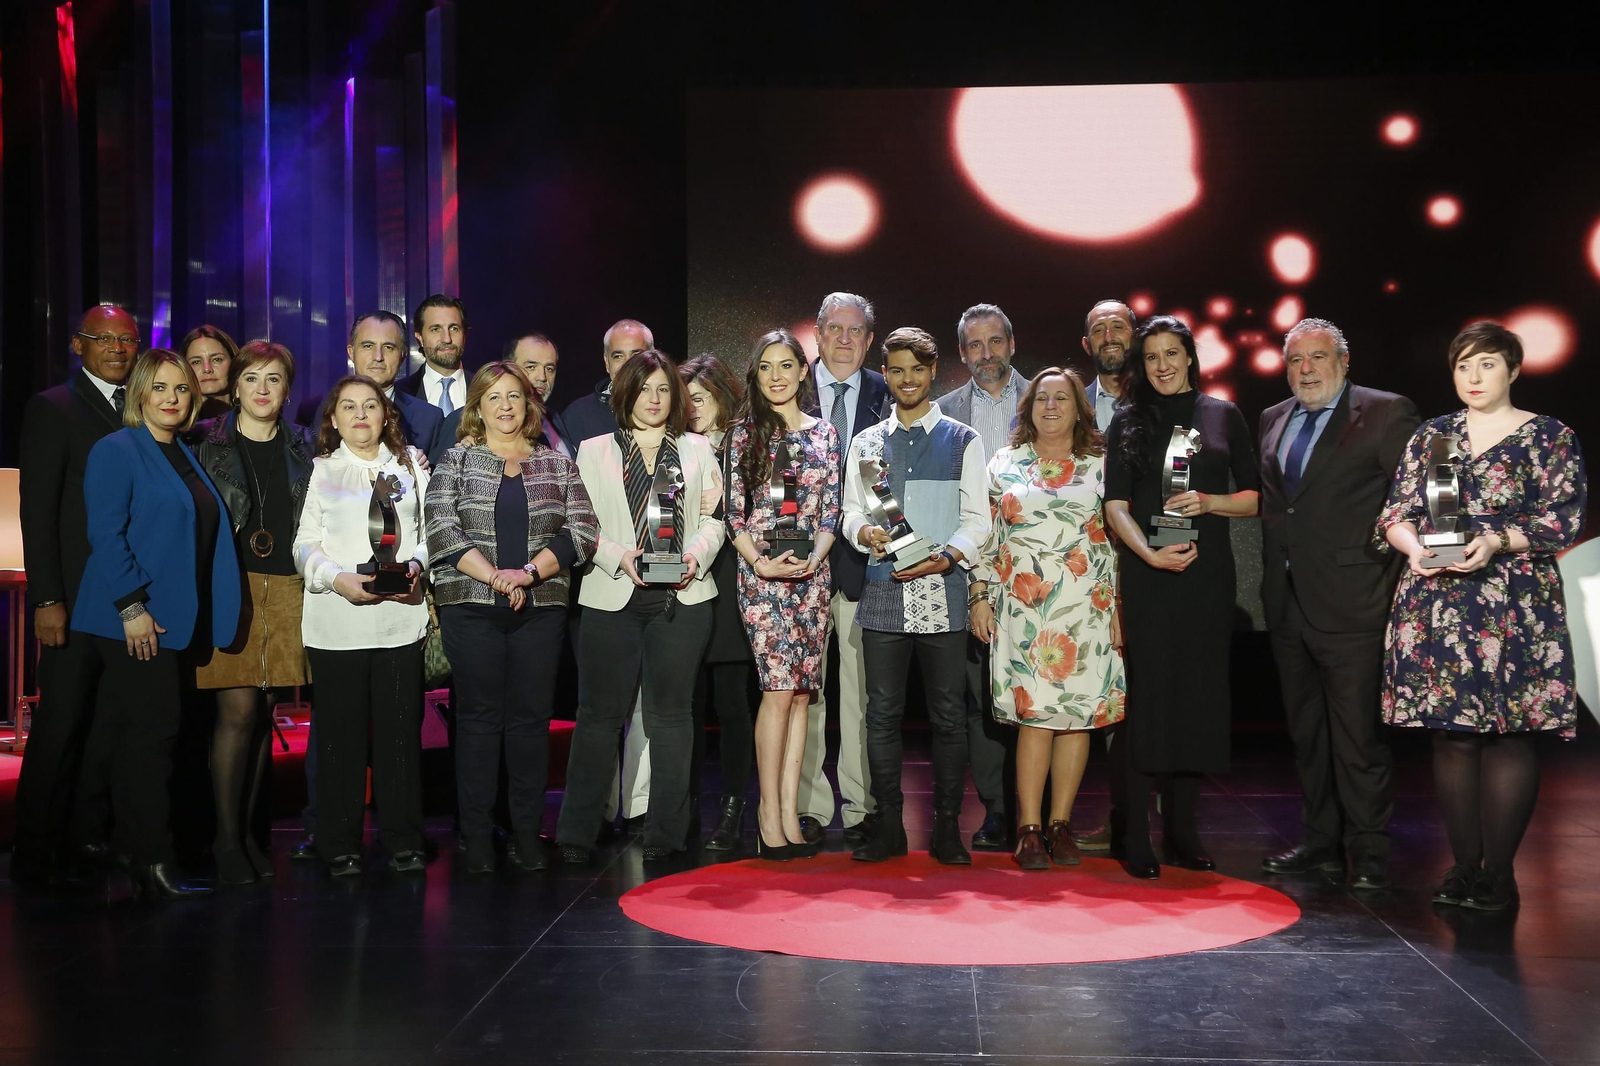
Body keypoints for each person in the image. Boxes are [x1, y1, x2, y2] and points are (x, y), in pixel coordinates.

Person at [1376, 322, 1586, 912]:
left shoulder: (1548, 437)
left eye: (1487, 364)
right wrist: (1413, 547)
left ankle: (1500, 873)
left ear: (1514, 370)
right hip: (1438, 601)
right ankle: (1464, 867)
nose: (1473, 377)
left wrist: (1497, 540)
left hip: (1515, 602)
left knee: (1509, 734)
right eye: (1463, 366)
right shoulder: (1434, 436)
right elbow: (1396, 511)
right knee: (1452, 736)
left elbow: (1562, 519)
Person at [70, 349, 241, 898]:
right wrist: (132, 607)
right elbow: (106, 534)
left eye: (183, 390)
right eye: (161, 388)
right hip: (133, 619)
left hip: (172, 620)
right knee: (154, 733)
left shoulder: (182, 453)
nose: (172, 398)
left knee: (131, 735)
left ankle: (117, 845)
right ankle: (152, 859)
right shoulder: (116, 450)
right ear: (140, 392)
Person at [1258, 318, 1419, 891]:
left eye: (1317, 357)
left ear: (1343, 361)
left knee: (1358, 734)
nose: (1306, 369)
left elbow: (1414, 499)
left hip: (1355, 600)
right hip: (1288, 600)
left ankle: (1369, 848)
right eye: (1296, 359)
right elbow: (1284, 509)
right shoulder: (1273, 419)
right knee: (1307, 732)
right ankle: (1320, 841)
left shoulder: (1385, 413)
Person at [425, 362, 598, 873]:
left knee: (528, 724)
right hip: (470, 609)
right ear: (477, 405)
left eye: (515, 397)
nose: (505, 406)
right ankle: (476, 837)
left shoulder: (556, 465)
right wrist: (495, 577)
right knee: (478, 722)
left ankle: (526, 833)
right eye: (494, 397)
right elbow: (439, 527)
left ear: (529, 406)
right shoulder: (456, 460)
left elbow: (582, 533)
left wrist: (527, 573)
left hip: (539, 610)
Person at [1104, 315, 1259, 878]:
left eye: (1172, 354)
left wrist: (1210, 503)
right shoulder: (1128, 418)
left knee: (1198, 698)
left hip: (1205, 575)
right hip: (1150, 574)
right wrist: (1148, 554)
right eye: (1151, 357)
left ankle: (1183, 832)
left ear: (1191, 357)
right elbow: (1115, 504)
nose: (1163, 366)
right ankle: (1137, 835)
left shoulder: (1223, 414)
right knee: (1149, 701)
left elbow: (1254, 497)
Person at [556, 350, 725, 863]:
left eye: (663, 390)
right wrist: (619, 556)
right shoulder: (593, 450)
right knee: (598, 717)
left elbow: (714, 521)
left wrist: (694, 558)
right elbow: (581, 527)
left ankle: (666, 834)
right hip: (613, 596)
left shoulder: (697, 451)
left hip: (683, 598)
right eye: (644, 388)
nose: (654, 399)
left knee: (671, 717)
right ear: (623, 392)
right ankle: (576, 834)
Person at [841, 327, 989, 865]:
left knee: (949, 715)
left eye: (916, 369)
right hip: (882, 589)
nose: (906, 379)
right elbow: (851, 510)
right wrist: (864, 533)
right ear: (888, 372)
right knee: (881, 715)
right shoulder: (867, 444)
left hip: (943, 591)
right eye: (896, 369)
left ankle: (947, 828)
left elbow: (978, 521)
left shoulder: (961, 439)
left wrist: (947, 556)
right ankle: (888, 826)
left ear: (932, 373)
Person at [970, 368, 1126, 869]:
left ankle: (1062, 826)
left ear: (1081, 408)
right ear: (1029, 407)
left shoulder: (1102, 466)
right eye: (1043, 398)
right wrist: (979, 595)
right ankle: (1029, 828)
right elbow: (986, 538)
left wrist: (1122, 610)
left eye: (1063, 398)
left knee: (1076, 718)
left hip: (1087, 609)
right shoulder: (1004, 462)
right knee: (1034, 718)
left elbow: (1120, 541)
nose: (1052, 406)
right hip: (1024, 609)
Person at [12, 305, 141, 886]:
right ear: (77, 343)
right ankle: (35, 851)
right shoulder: (53, 408)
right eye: (102, 338)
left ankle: (89, 837)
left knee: (109, 723)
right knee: (61, 723)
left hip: (126, 597)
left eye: (127, 340)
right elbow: (37, 513)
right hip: (71, 596)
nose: (116, 348)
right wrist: (46, 600)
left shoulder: (141, 408)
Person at [293, 375, 431, 877]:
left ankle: (403, 840)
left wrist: (416, 567)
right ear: (333, 419)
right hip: (337, 625)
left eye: (369, 405)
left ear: (384, 414)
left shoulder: (412, 466)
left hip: (400, 621)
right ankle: (339, 843)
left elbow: (429, 536)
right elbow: (303, 544)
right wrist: (337, 580)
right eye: (347, 407)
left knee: (399, 739)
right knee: (339, 740)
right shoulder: (320, 471)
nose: (360, 415)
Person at [192, 340, 315, 885]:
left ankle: (245, 833)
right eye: (251, 379)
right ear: (234, 386)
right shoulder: (205, 444)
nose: (262, 390)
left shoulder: (306, 449)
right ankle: (222, 839)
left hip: (286, 586)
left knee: (264, 714)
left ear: (286, 390)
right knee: (237, 713)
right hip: (230, 585)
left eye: (273, 379)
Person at [726, 332, 841, 859]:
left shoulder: (825, 435)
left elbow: (831, 512)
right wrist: (759, 563)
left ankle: (791, 813)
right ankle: (767, 815)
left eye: (786, 365)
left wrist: (816, 558)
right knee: (776, 691)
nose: (776, 376)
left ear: (802, 372)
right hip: (763, 580)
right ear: (757, 375)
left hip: (812, 578)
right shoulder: (743, 435)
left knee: (801, 695)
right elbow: (733, 516)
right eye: (766, 366)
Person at [937, 302, 1031, 850]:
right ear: (962, 353)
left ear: (1012, 344)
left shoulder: (1046, 400)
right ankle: (997, 809)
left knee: (1035, 689)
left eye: (995, 342)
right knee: (980, 699)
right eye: (975, 345)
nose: (987, 354)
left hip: (1038, 570)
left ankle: (1035, 810)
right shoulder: (945, 412)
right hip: (972, 571)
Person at [798, 292, 890, 847]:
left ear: (869, 339)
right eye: (834, 328)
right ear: (817, 332)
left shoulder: (887, 394)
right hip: (797, 566)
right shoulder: (785, 384)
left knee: (861, 695)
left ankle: (860, 805)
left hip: (864, 563)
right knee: (807, 693)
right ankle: (808, 804)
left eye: (856, 331)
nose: (844, 339)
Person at [681, 354, 759, 851]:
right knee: (686, 704)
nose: (691, 409)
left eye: (700, 399)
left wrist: (731, 501)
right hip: (684, 585)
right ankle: (681, 806)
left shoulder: (746, 446)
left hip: (732, 583)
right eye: (683, 399)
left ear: (723, 400)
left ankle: (733, 807)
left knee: (732, 704)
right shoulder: (671, 447)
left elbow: (774, 508)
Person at [1073, 298, 1137, 855]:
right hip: (1082, 576)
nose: (1110, 335)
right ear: (1087, 344)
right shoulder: (1072, 408)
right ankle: (1119, 816)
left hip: (1149, 564)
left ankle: (1140, 819)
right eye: (1100, 329)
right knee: (1097, 695)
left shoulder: (1161, 399)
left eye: (1120, 325)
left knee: (1144, 697)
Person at [295, 311, 445, 464]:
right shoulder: (313, 413)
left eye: (388, 347)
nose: (378, 356)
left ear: (403, 355)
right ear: (351, 352)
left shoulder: (429, 418)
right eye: (368, 346)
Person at [563, 319, 653, 447]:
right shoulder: (577, 416)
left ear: (654, 358)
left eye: (636, 355)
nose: (627, 365)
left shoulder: (670, 408)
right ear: (607, 363)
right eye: (618, 356)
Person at [401, 294, 470, 416]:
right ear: (419, 338)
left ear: (464, 336)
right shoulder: (400, 394)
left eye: (454, 328)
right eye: (435, 329)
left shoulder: (486, 389)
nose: (446, 339)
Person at [508, 332, 574, 456]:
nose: (542, 377)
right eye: (531, 367)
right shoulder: (497, 423)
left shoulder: (554, 418)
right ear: (509, 369)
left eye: (549, 369)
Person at [181, 325, 238, 423]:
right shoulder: (177, 427)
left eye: (217, 359)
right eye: (196, 362)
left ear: (234, 361)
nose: (207, 369)